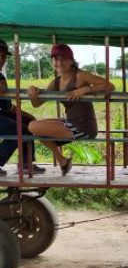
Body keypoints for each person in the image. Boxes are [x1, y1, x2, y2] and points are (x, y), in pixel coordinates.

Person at [27, 44, 115, 175]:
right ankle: (62, 161)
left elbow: (110, 85)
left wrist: (86, 89)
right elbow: (37, 104)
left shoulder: (80, 76)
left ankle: (62, 161)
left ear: (72, 60)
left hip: (84, 127)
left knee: (33, 125)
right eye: (56, 59)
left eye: (63, 59)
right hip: (71, 123)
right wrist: (32, 92)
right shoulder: (55, 82)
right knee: (37, 127)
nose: (59, 63)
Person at [0, 39, 45, 176]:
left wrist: (27, 116)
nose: (2, 60)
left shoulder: (0, 77)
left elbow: (6, 107)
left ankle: (26, 164)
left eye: (3, 57)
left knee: (29, 124)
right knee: (19, 130)